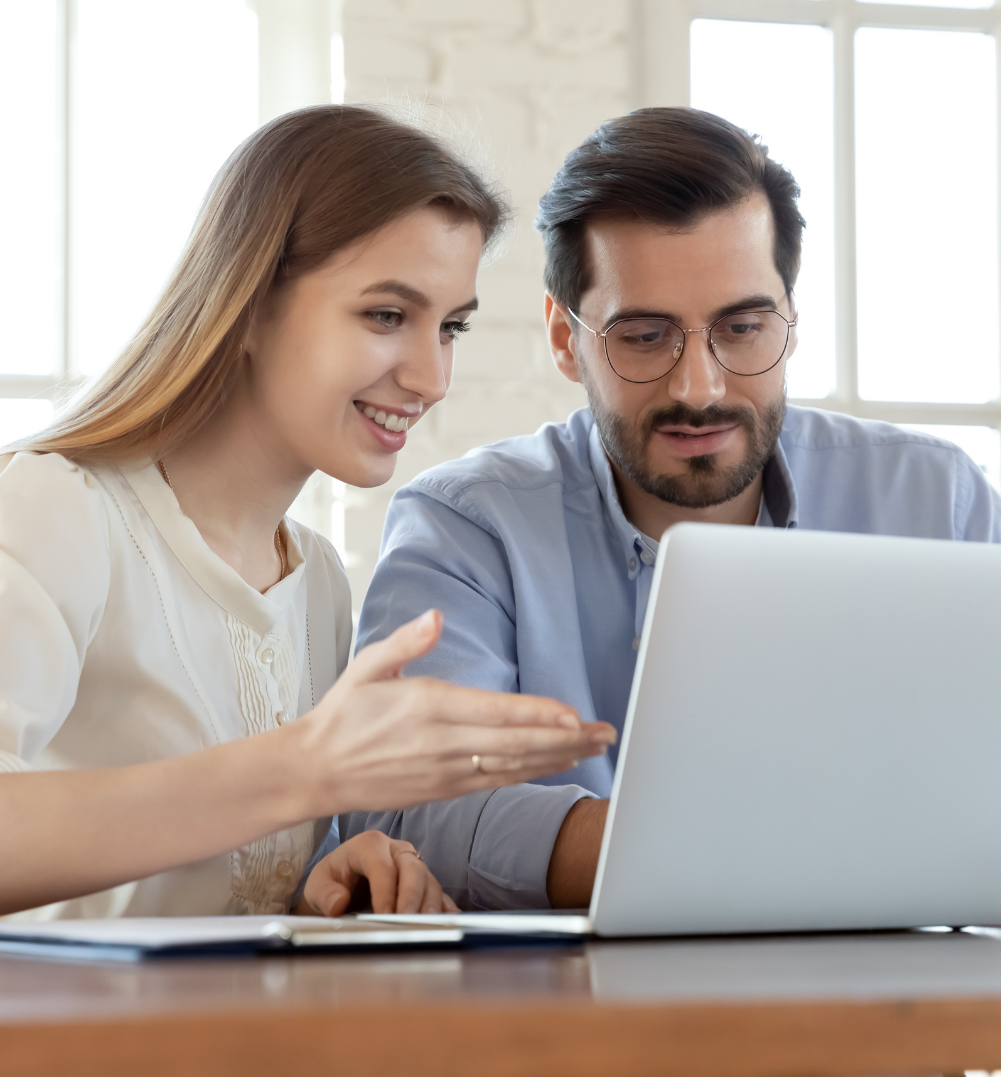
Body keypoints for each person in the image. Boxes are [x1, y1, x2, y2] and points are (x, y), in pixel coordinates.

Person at [0, 105, 615, 923]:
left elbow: (203, 876)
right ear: (249, 305)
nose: (432, 378)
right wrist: (306, 769)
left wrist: (323, 878)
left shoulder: (315, 581)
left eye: (451, 327)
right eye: (387, 315)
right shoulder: (57, 507)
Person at [350, 106, 1001, 911]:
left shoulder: (939, 501)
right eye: (647, 336)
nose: (700, 387)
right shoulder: (468, 529)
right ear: (565, 339)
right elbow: (395, 812)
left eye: (742, 327)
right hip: (580, 1023)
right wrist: (772, 857)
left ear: (790, 323)